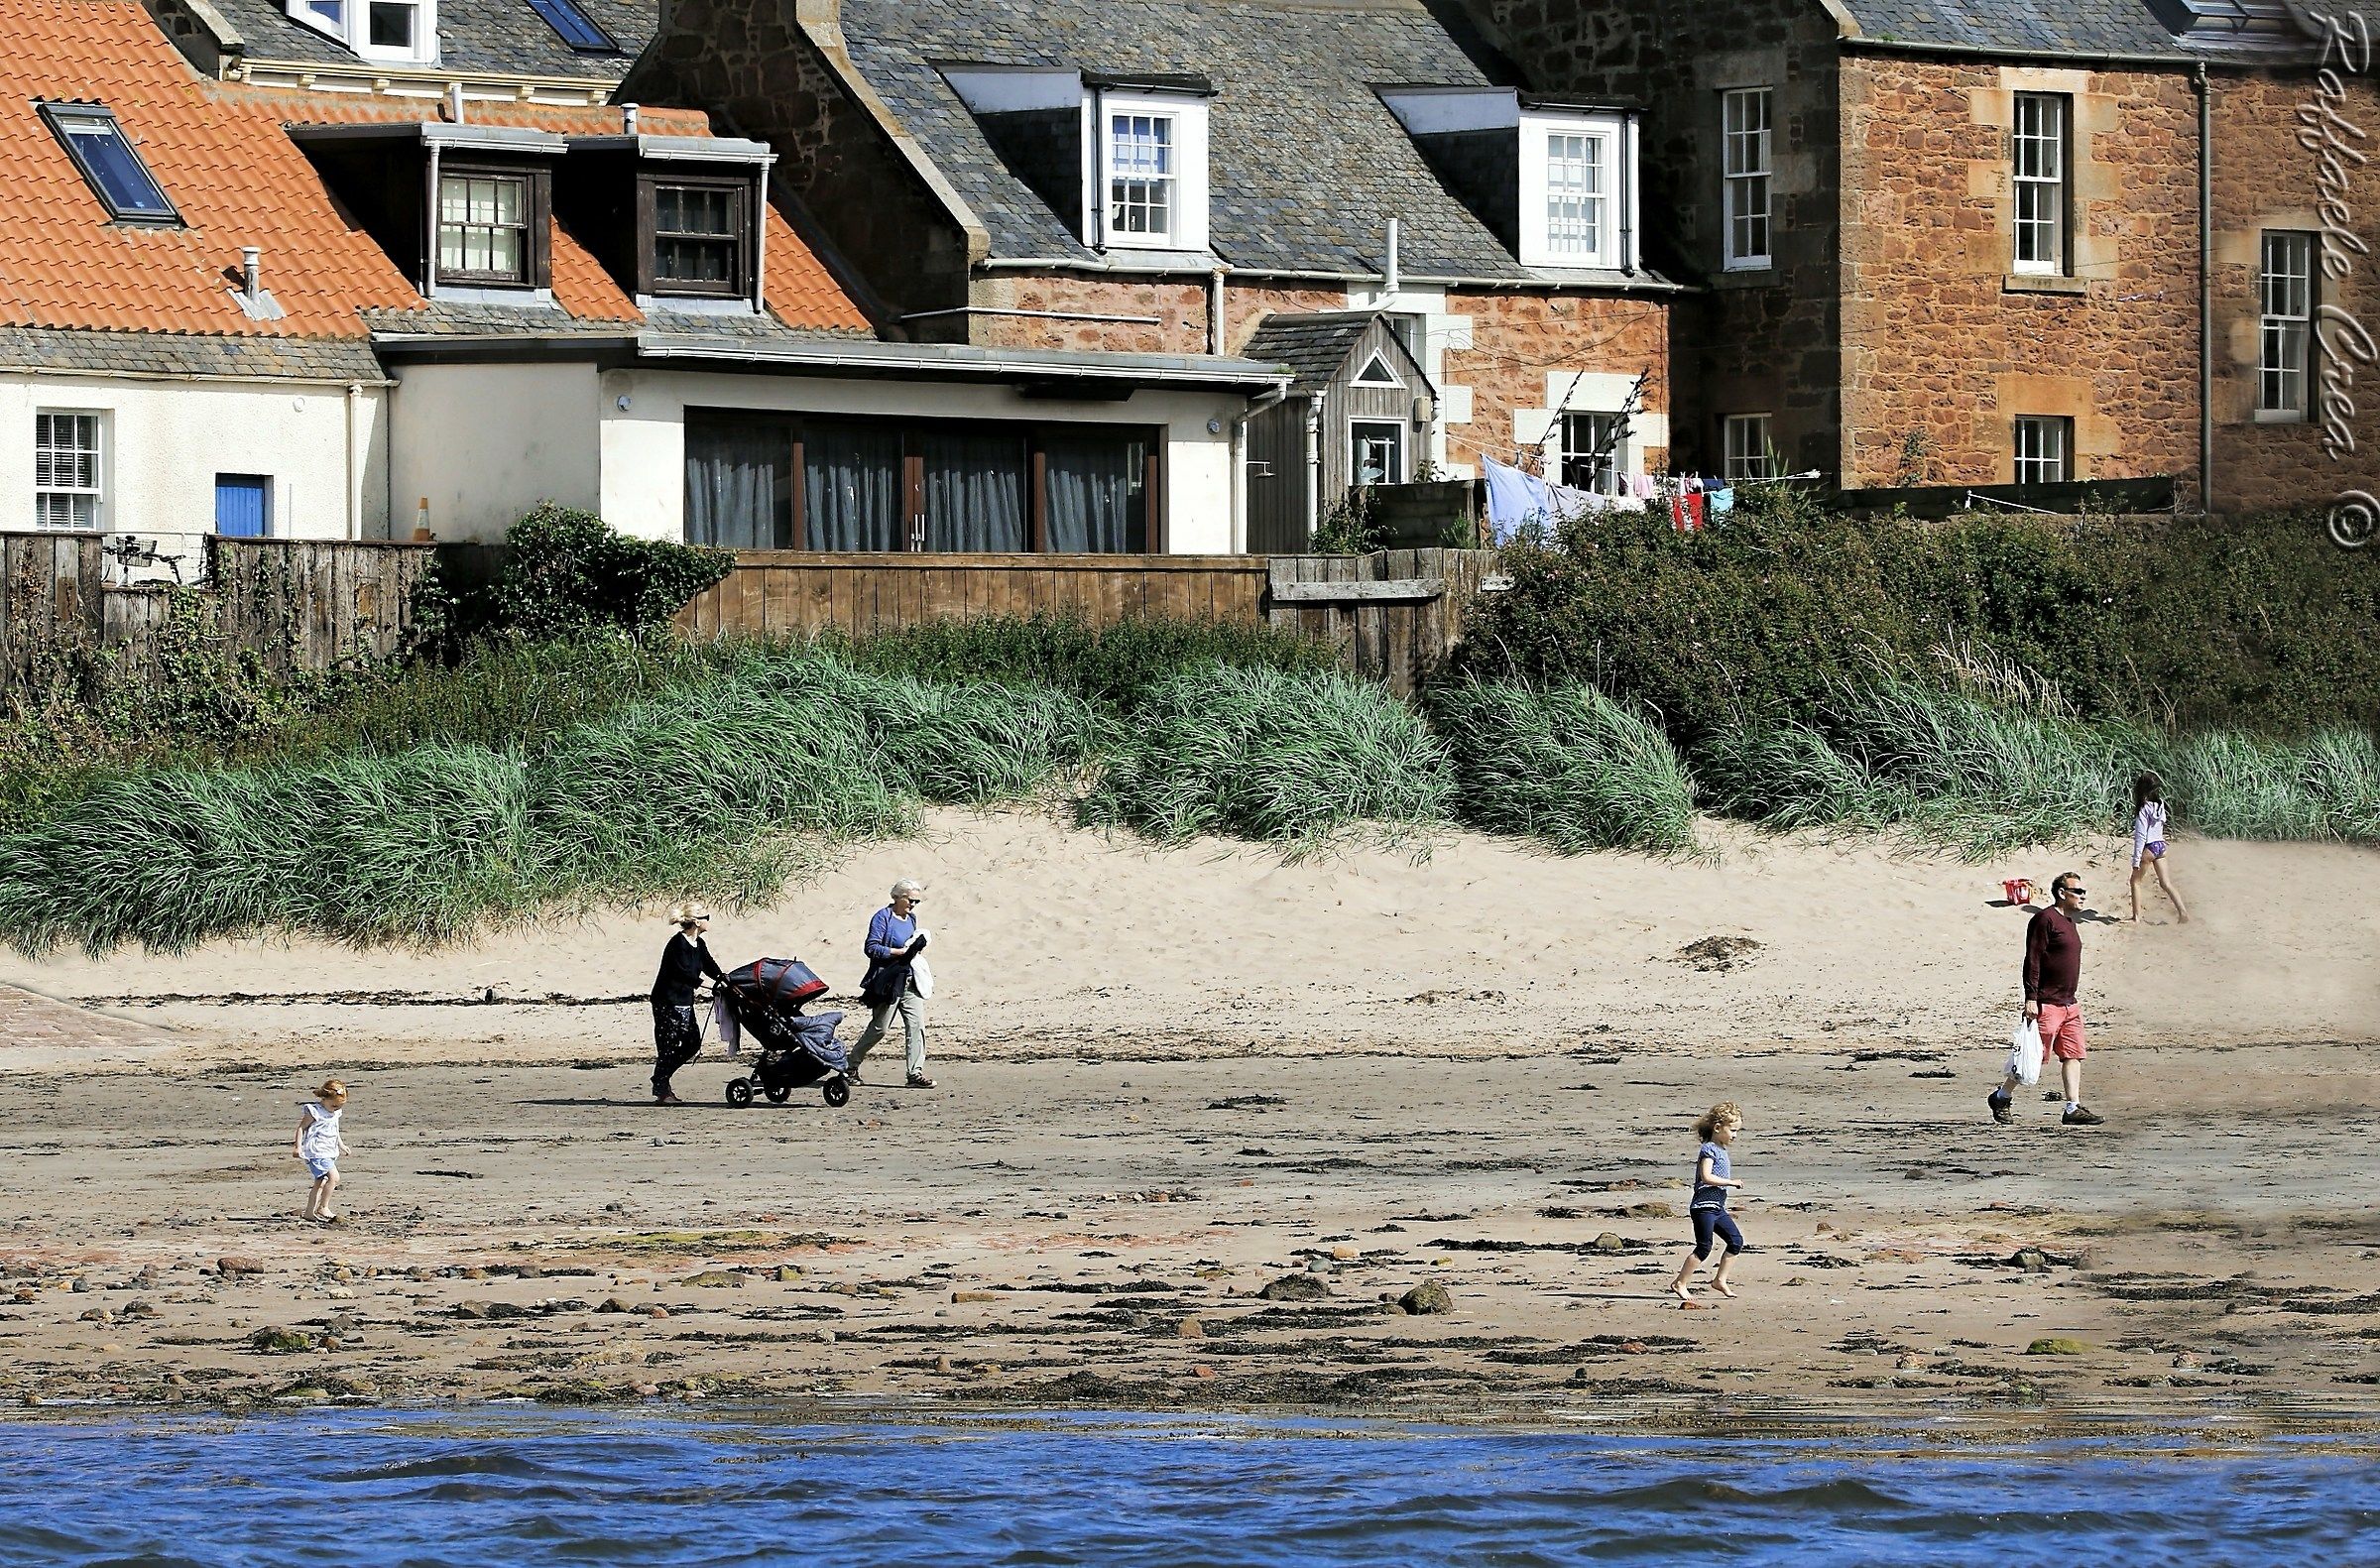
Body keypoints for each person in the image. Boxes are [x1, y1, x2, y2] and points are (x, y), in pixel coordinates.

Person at [1988, 871, 2103, 1127]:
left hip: (2069, 1003)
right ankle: (2001, 1096)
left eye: (2084, 892)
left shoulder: (2071, 922)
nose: (2083, 897)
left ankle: (2073, 1108)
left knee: (2073, 1054)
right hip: (2047, 1002)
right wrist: (2031, 998)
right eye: (2078, 892)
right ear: (2062, 893)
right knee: (2033, 1057)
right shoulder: (2044, 919)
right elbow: (2033, 959)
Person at [848, 878, 934, 1089]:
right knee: (879, 1028)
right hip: (887, 982)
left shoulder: (911, 919)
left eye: (917, 902)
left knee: (916, 1027)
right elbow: (872, 948)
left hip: (909, 980)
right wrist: (899, 952)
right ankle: (849, 1066)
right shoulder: (882, 918)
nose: (913, 905)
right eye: (911, 900)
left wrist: (915, 950)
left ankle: (915, 1073)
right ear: (898, 897)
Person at [1670, 1102, 1745, 1301]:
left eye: (1737, 1131)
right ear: (1718, 1128)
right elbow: (1706, 1177)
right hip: (1703, 1208)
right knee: (1704, 1247)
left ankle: (1720, 1280)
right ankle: (1680, 1283)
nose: (1735, 1135)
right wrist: (1731, 1182)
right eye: (1732, 1130)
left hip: (1717, 1208)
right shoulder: (1709, 1149)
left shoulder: (1722, 1150)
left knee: (1736, 1241)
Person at [650, 903, 724, 1106]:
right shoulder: (677, 944)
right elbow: (682, 973)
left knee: (692, 1043)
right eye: (706, 917)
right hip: (667, 1001)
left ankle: (661, 1078)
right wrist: (707, 986)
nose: (709, 921)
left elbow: (709, 965)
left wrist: (724, 979)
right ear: (697, 921)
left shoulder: (699, 944)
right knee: (668, 1046)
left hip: (684, 1001)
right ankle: (662, 1088)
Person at [2128, 773, 2191, 924]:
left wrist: (2136, 859)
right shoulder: (2160, 804)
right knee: (2166, 883)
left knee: (2135, 881)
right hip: (2161, 845)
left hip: (2149, 847)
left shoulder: (2143, 808)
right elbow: (2162, 821)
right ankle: (2183, 912)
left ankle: (2136, 917)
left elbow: (2141, 836)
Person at [293, 1078, 350, 1223]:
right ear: (324, 1098)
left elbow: (334, 1130)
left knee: (321, 1182)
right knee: (334, 1177)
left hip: (329, 1150)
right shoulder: (314, 1111)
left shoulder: (335, 1113)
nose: (336, 1109)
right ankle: (323, 1207)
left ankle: (309, 1212)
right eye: (334, 1105)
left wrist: (341, 1145)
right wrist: (298, 1147)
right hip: (317, 1151)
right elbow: (301, 1128)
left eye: (339, 1106)